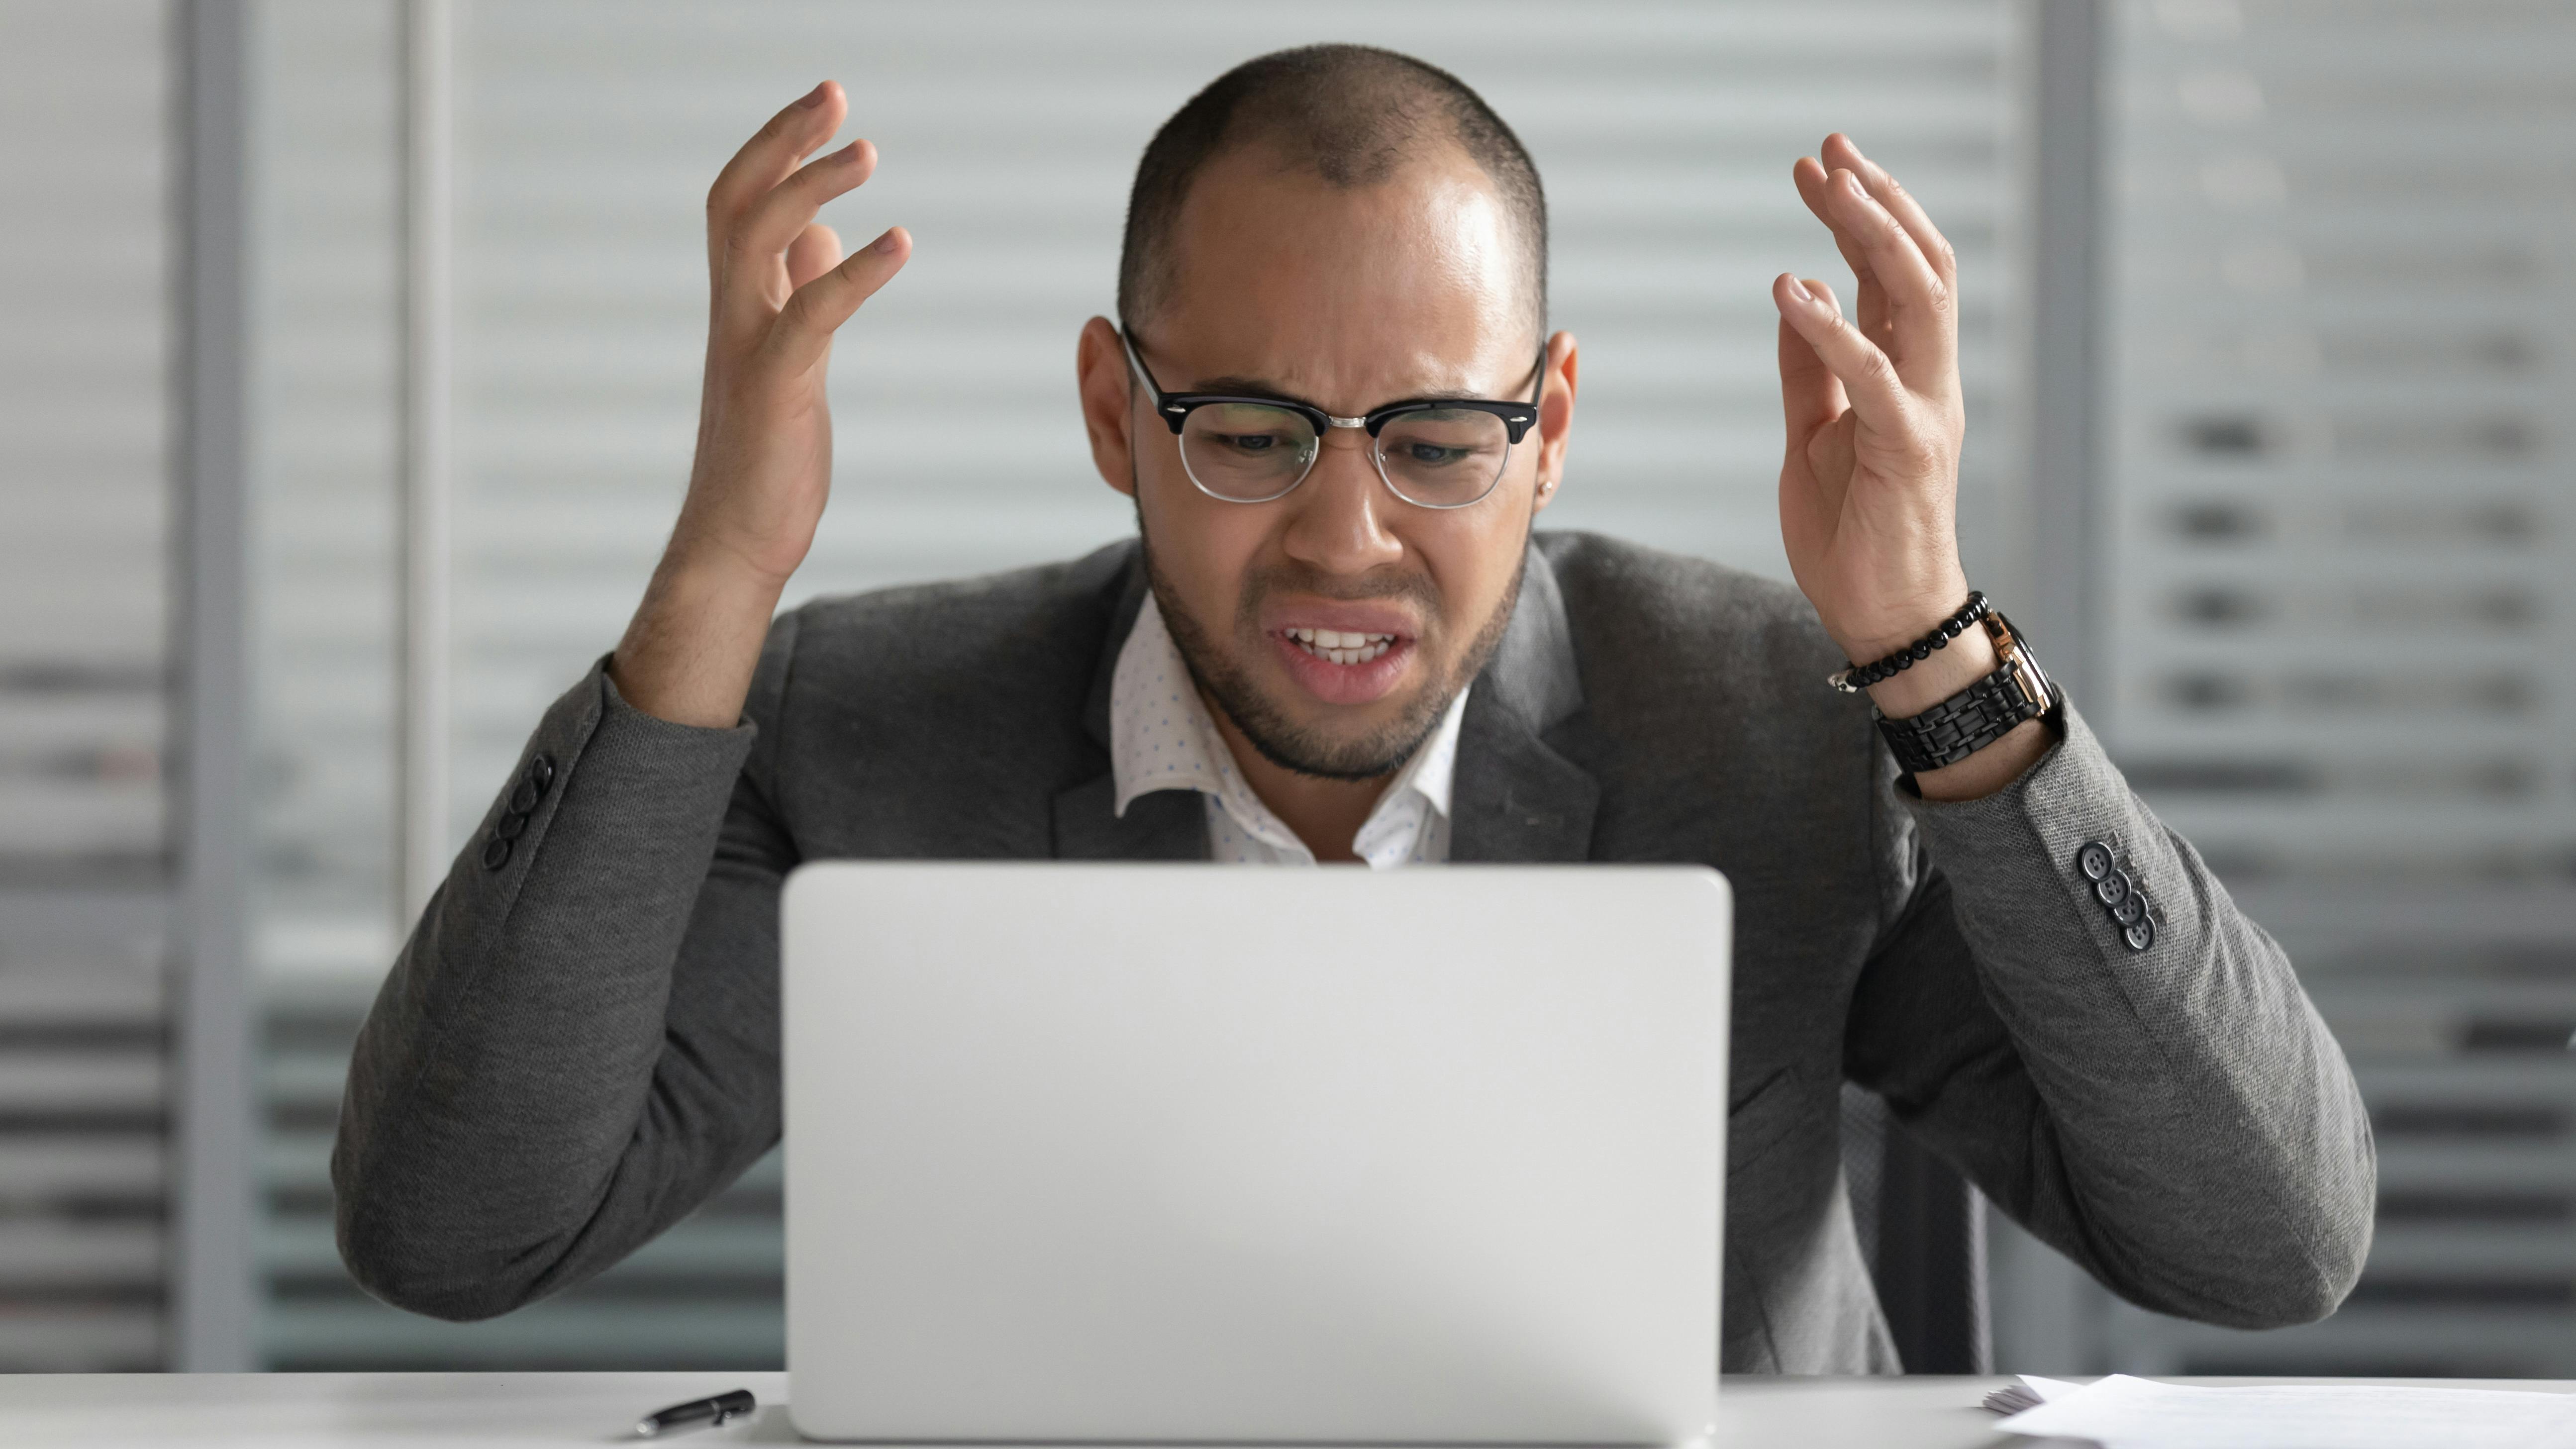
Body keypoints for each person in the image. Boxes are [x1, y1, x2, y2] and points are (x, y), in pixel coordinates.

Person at [332, 45, 2372, 1373]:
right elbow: (451, 1231)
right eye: (1243, 428)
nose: (1340, 535)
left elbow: (2262, 1241)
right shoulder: (870, 717)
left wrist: (1930, 650)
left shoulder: (1771, 723)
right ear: (1110, 416)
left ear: (1547, 427)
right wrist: (713, 581)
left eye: (1432, 437)